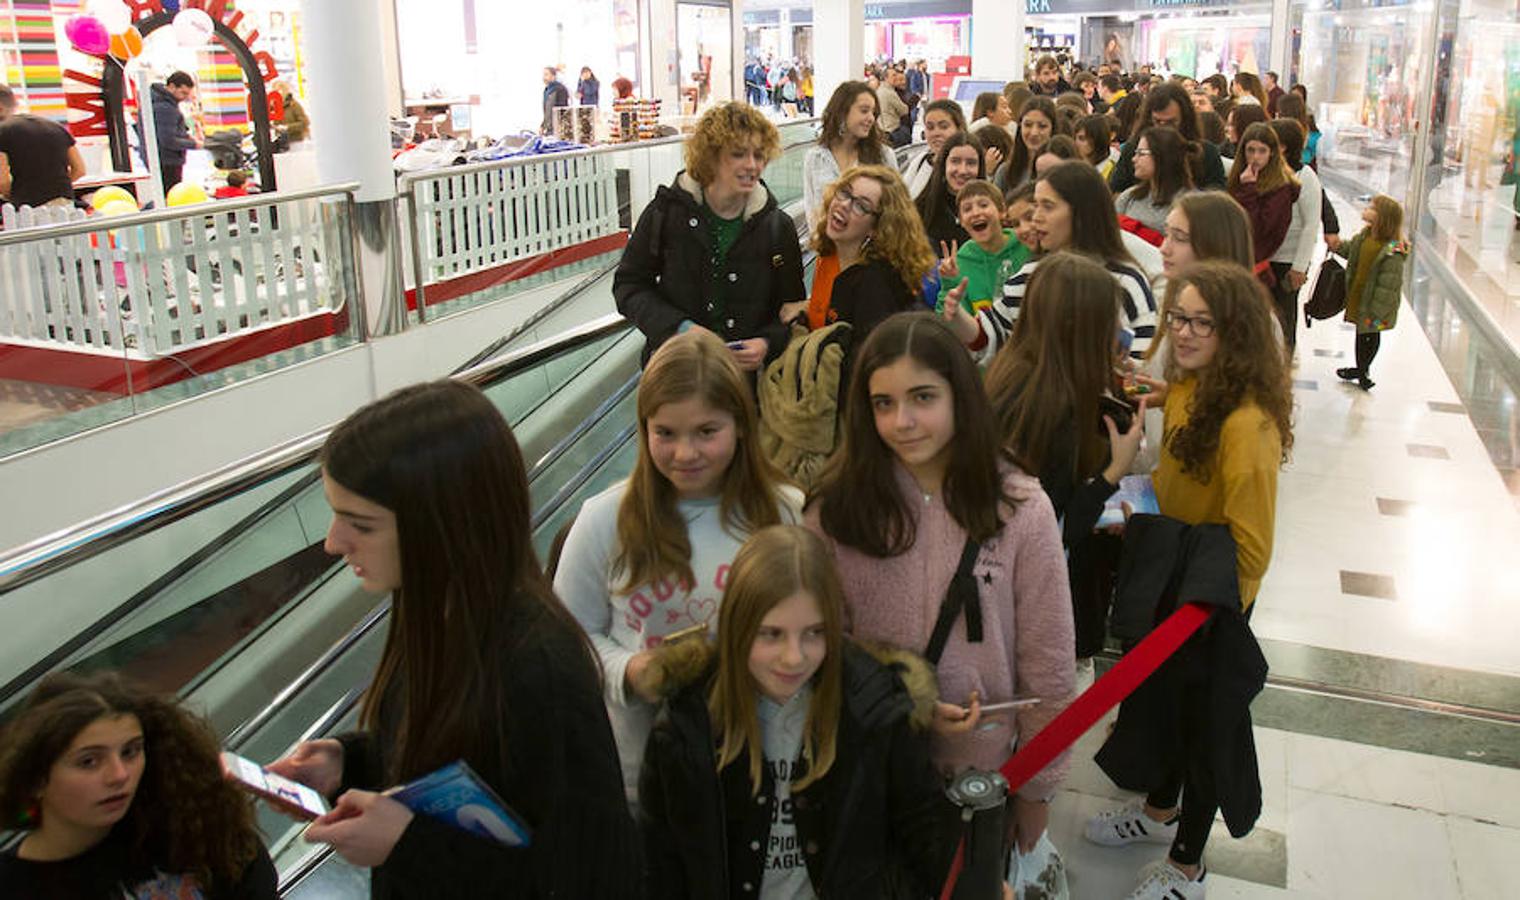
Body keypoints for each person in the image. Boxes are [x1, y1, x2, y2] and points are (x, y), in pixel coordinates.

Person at [270, 381, 639, 897]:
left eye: (361, 524)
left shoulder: (539, 667)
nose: (334, 542)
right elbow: (453, 770)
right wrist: (348, 763)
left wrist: (408, 843)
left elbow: (584, 871)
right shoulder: (436, 614)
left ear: (442, 525)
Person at [805, 313, 1076, 889]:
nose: (902, 422)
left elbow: (1048, 666)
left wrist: (1037, 791)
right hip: (868, 768)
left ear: (960, 392)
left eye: (922, 397)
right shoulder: (834, 510)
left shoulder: (1022, 509)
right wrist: (906, 699)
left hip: (978, 782)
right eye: (882, 403)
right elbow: (819, 646)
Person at [1085, 261, 1292, 900]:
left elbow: (1252, 545)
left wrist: (1214, 618)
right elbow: (1172, 482)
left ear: (1237, 332)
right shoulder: (1190, 390)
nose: (1188, 333)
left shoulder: (1246, 424)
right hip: (1176, 585)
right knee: (1167, 711)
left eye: (1205, 322)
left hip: (1212, 604)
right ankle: (1156, 815)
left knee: (1206, 728)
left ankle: (1187, 866)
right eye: (1180, 319)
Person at [638, 525, 956, 898]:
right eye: (771, 634)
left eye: (814, 633)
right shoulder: (686, 724)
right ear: (738, 629)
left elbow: (922, 828)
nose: (794, 657)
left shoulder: (875, 706)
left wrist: (973, 885)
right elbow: (661, 859)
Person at [556, 331, 803, 806]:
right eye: (664, 433)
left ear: (741, 426)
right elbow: (568, 641)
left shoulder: (783, 513)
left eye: (706, 432)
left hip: (757, 768)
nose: (685, 453)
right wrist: (630, 670)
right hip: (643, 779)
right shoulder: (604, 520)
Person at [984, 253, 1146, 661]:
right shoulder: (1053, 409)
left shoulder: (1015, 374)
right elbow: (1050, 528)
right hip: (1039, 609)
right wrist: (1112, 473)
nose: (1117, 330)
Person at [0, 671, 277, 898]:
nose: (119, 775)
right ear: (36, 778)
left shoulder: (185, 830)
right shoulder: (13, 886)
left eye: (130, 752)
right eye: (89, 762)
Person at [614, 102, 804, 369]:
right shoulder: (667, 212)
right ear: (710, 156)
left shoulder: (776, 226)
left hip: (742, 384)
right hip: (677, 373)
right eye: (738, 154)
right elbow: (628, 286)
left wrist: (766, 343)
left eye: (759, 155)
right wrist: (681, 329)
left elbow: (792, 309)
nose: (752, 165)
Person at [943, 161, 1158, 362]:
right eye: (1036, 206)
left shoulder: (1126, 282)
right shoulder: (1030, 276)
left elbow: (1141, 368)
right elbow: (992, 334)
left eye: (1048, 206)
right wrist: (958, 317)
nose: (1036, 218)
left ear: (1081, 212)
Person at [798, 164, 934, 340]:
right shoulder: (828, 255)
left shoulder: (877, 283)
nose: (844, 205)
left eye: (861, 206)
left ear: (877, 227)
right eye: (845, 193)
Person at [1336, 195, 1408, 390]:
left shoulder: (1393, 249)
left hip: (1377, 304)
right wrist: (1336, 245)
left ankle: (1362, 370)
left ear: (1382, 217)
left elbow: (1389, 284)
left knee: (1370, 334)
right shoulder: (1365, 236)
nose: (1367, 209)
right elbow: (1350, 251)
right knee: (1361, 334)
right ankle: (1361, 369)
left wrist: (1378, 309)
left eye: (1372, 208)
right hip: (1361, 296)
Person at [1264, 119, 1322, 354]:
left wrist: (1299, 267)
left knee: (1285, 318)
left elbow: (1310, 225)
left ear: (1284, 146)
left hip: (1288, 262)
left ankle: (1284, 367)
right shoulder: (1266, 172)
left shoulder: (1305, 176)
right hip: (1265, 259)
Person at [1107, 84, 1227, 194]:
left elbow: (1217, 200)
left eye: (1171, 123)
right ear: (1149, 120)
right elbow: (1116, 192)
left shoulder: (1206, 153)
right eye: (1158, 122)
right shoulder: (1133, 150)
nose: (1163, 129)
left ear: (1185, 120)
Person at [803, 81, 890, 230]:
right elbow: (812, 211)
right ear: (842, 112)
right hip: (828, 248)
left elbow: (893, 212)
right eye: (864, 111)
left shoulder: (884, 156)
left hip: (871, 249)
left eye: (873, 112)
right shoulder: (815, 158)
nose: (871, 118)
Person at [939, 179, 1031, 315]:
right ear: (962, 221)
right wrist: (949, 283)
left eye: (983, 205)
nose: (976, 213)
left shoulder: (1026, 243)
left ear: (1002, 211)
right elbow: (946, 318)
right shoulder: (960, 263)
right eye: (967, 209)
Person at [1227, 122, 1299, 295]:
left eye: (1262, 151)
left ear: (1272, 153)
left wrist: (1248, 190)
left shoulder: (1280, 188)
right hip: (1234, 263)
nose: (1255, 157)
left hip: (1256, 270)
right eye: (1251, 150)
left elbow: (1257, 230)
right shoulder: (1239, 178)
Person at [0, 83, 85, 208]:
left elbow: (2, 181)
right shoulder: (55, 126)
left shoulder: (2, 132)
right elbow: (80, 170)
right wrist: (54, 189)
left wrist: (14, 194)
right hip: (65, 203)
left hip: (28, 209)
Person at [1114, 126, 1199, 243]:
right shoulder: (1129, 196)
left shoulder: (1191, 204)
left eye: (1141, 153)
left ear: (1162, 156)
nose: (1134, 159)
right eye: (1135, 153)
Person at [915, 130, 983, 250]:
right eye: (955, 161)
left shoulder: (991, 210)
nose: (962, 170)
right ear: (944, 165)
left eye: (971, 163)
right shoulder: (921, 209)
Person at [138, 71, 200, 193]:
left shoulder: (155, 102)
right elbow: (168, 140)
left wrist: (186, 136)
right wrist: (194, 144)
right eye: (183, 93)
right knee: (171, 193)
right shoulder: (165, 108)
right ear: (171, 87)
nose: (185, 97)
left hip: (158, 158)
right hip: (167, 161)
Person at [904, 99, 965, 199]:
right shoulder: (920, 161)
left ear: (959, 128)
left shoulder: (967, 166)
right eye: (930, 127)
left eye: (944, 127)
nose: (936, 133)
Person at [1004, 96, 1065, 190]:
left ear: (1053, 128)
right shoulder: (1006, 171)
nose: (1034, 133)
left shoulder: (1064, 169)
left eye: (1042, 126)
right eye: (1028, 125)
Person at [1074, 114, 1116, 180]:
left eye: (1082, 138)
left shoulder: (1112, 171)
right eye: (1075, 138)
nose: (1076, 143)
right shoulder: (1074, 167)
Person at [877, 68, 912, 147]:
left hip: (883, 129)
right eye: (893, 75)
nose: (896, 78)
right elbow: (904, 110)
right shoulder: (890, 93)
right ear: (886, 78)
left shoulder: (879, 90)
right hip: (892, 131)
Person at [541, 66, 570, 134]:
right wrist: (543, 125)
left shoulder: (560, 89)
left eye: (546, 74)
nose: (544, 77)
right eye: (543, 75)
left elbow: (563, 110)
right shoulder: (547, 90)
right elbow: (547, 111)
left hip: (558, 129)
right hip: (549, 129)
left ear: (553, 76)